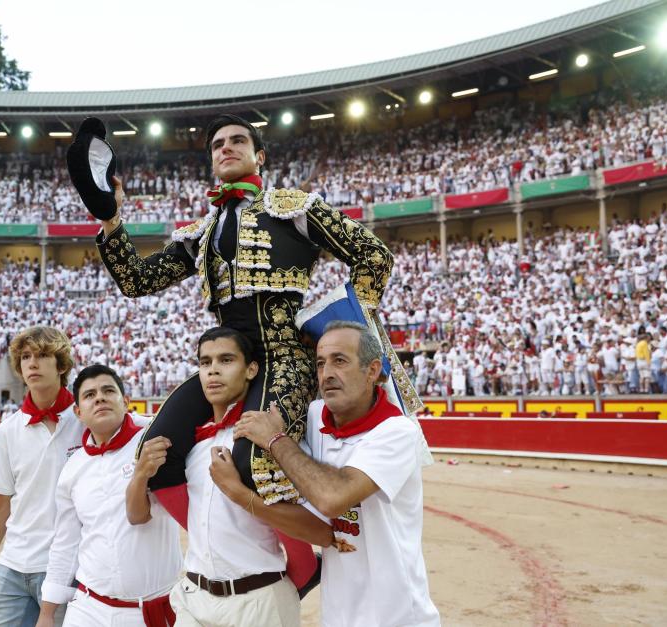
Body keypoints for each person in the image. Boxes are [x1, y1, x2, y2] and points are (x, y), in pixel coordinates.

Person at [78, 113, 415, 588]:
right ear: (212, 160)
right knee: (155, 454)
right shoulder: (200, 232)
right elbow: (136, 280)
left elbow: (374, 256)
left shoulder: (295, 208)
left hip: (284, 354)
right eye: (218, 144)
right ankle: (218, 549)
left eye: (238, 141)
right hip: (227, 361)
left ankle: (301, 569)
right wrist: (111, 218)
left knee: (254, 463)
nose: (226, 148)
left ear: (260, 156)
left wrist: (343, 326)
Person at [235, 321, 441, 627]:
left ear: (372, 371)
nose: (327, 373)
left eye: (340, 361)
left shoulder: (397, 431)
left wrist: (276, 440)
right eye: (320, 363)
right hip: (338, 615)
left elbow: (332, 499)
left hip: (396, 617)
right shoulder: (317, 414)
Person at [127, 327, 333, 627]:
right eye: (205, 362)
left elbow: (308, 528)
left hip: (259, 599)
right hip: (194, 596)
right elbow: (137, 514)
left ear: (251, 369)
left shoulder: (268, 441)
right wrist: (140, 474)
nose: (213, 371)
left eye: (226, 360)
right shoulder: (191, 446)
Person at [35, 365, 182, 627]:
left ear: (126, 402)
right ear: (78, 412)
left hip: (148, 610)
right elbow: (66, 543)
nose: (99, 398)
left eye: (108, 391)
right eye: (89, 395)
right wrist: (47, 613)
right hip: (88, 608)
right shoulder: (73, 468)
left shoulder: (154, 445)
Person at [0, 326, 83, 627]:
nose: (32, 363)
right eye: (26, 356)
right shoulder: (8, 430)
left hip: (67, 567)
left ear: (62, 365)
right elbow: (1, 504)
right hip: (13, 564)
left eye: (42, 356)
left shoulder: (87, 421)